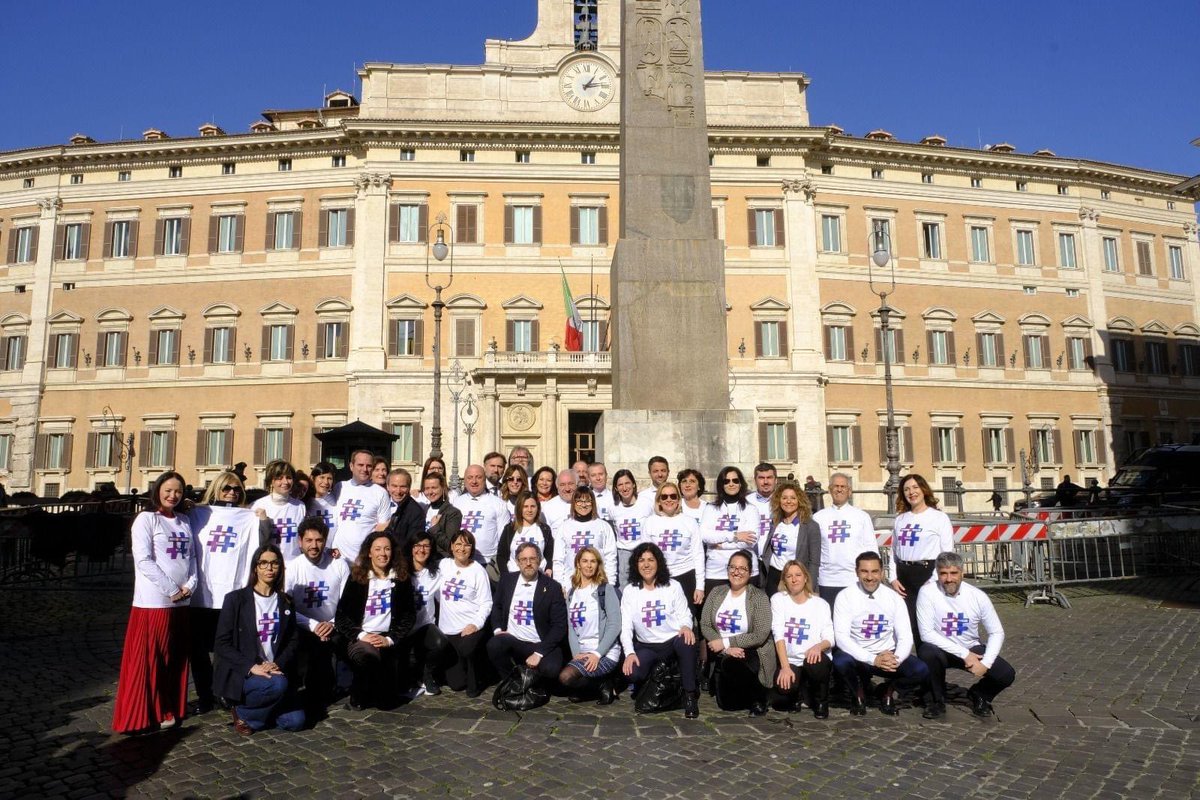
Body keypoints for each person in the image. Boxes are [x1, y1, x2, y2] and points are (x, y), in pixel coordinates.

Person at [112, 471, 197, 734]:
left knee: (174, 658)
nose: (173, 496)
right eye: (168, 490)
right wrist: (171, 588)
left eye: (178, 492)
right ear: (158, 490)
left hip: (181, 602)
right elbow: (144, 560)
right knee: (153, 660)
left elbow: (192, 558)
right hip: (155, 602)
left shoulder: (184, 520)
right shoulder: (146, 519)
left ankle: (170, 706)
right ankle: (148, 712)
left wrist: (189, 585)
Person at [188, 472, 262, 715]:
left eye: (237, 489)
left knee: (226, 648)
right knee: (198, 649)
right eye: (227, 488)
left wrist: (260, 520)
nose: (232, 493)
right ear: (216, 489)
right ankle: (204, 695)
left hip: (230, 594)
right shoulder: (200, 515)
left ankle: (224, 692)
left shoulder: (247, 517)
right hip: (202, 594)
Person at [212, 543, 306, 734]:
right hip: (245, 673)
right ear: (255, 567)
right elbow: (222, 644)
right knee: (277, 685)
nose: (269, 568)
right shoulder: (235, 600)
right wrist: (252, 667)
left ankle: (257, 716)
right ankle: (241, 711)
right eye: (263, 563)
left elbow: (293, 641)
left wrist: (277, 664)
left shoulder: (285, 601)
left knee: (295, 722)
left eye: (274, 563)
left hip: (273, 670)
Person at [917, 552, 1016, 719]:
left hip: (971, 647)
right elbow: (926, 634)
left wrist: (985, 663)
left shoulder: (978, 596)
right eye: (943, 573)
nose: (949, 579)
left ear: (962, 572)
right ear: (937, 573)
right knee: (927, 652)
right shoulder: (927, 592)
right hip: (940, 648)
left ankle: (980, 694)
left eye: (954, 573)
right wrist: (964, 654)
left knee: (1005, 674)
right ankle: (936, 701)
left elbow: (996, 632)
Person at [832, 552, 929, 716]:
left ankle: (888, 691)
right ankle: (858, 694)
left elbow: (905, 636)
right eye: (864, 571)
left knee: (921, 670)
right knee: (840, 662)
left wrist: (895, 659)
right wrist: (873, 659)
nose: (870, 577)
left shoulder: (894, 598)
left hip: (887, 654)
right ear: (857, 572)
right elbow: (842, 638)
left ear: (882, 572)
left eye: (874, 571)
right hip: (858, 654)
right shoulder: (845, 596)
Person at [334, 531, 416, 710]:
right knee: (368, 656)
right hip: (362, 638)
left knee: (387, 703)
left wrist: (390, 639)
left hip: (387, 638)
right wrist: (362, 635)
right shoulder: (357, 578)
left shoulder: (402, 579)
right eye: (377, 549)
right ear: (369, 552)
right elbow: (341, 616)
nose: (383, 553)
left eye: (387, 549)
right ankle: (358, 693)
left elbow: (409, 615)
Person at [620, 542, 701, 718]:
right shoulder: (630, 591)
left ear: (659, 563)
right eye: (641, 560)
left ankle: (689, 695)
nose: (646, 564)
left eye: (651, 560)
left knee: (687, 641)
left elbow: (684, 613)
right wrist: (630, 653)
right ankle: (652, 678)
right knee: (632, 672)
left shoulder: (673, 586)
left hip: (671, 642)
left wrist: (686, 626)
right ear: (636, 564)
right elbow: (626, 626)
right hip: (647, 646)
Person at [284, 515, 351, 713]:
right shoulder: (292, 568)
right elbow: (286, 609)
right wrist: (313, 626)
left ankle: (341, 686)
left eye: (319, 540)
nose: (314, 545)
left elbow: (347, 602)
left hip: (334, 624)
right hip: (304, 626)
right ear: (300, 541)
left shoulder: (339, 564)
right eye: (309, 540)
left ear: (326, 541)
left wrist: (332, 623)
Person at [699, 551, 775, 716]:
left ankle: (759, 696)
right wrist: (726, 648)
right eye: (732, 567)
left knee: (733, 662)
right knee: (728, 705)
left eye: (742, 568)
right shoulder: (716, 592)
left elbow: (760, 635)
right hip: (723, 652)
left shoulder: (759, 598)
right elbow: (705, 624)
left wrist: (726, 643)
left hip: (753, 651)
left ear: (750, 572)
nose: (736, 572)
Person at [487, 542, 568, 689]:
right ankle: (512, 680)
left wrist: (539, 653)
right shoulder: (506, 581)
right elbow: (497, 607)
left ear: (539, 561)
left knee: (551, 669)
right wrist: (498, 631)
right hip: (513, 639)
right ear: (517, 562)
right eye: (523, 559)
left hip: (540, 642)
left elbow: (560, 626)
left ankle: (534, 682)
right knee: (494, 645)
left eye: (532, 559)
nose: (528, 563)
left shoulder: (552, 587)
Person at [889, 473, 955, 645]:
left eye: (915, 487)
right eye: (906, 489)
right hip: (904, 575)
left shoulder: (939, 518)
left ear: (923, 489)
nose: (911, 492)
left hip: (928, 573)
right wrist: (892, 577)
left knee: (928, 624)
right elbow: (893, 550)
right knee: (908, 624)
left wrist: (934, 579)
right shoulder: (900, 520)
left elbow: (947, 552)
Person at [770, 560, 833, 718]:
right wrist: (785, 667)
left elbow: (830, 638)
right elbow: (778, 634)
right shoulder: (778, 600)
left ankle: (820, 701)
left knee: (815, 664)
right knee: (781, 695)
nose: (794, 579)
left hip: (813, 657)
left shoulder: (820, 604)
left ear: (806, 578)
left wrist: (818, 646)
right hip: (791, 660)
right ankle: (798, 692)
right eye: (789, 576)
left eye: (798, 575)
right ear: (784, 580)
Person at [559, 546, 622, 704]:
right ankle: (599, 686)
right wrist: (576, 653)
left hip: (605, 653)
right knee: (563, 682)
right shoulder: (572, 593)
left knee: (566, 676)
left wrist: (597, 654)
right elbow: (571, 627)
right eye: (585, 561)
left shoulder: (605, 590)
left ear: (598, 564)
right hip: (583, 652)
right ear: (578, 564)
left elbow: (615, 625)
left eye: (593, 561)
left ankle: (601, 683)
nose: (589, 565)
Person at [437, 530, 494, 697]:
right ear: (452, 547)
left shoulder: (478, 571)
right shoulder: (444, 565)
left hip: (469, 628)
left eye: (467, 545)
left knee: (468, 650)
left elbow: (486, 603)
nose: (462, 548)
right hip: (447, 630)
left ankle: (479, 676)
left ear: (472, 548)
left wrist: (475, 624)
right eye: (458, 544)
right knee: (456, 684)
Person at [812, 473, 878, 606]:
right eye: (836, 486)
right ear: (830, 489)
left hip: (853, 579)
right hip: (827, 580)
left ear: (849, 491)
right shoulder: (818, 518)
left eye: (843, 486)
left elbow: (871, 547)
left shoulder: (861, 517)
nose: (839, 489)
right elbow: (813, 551)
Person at [642, 482, 706, 613]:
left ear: (678, 499)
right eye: (664, 497)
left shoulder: (690, 522)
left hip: (686, 575)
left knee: (687, 619)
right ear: (658, 500)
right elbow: (645, 556)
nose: (669, 500)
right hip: (660, 576)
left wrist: (700, 586)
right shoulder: (650, 522)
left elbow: (698, 554)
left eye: (673, 496)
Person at [403, 531, 452, 697]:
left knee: (440, 643)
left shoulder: (436, 574)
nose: (421, 550)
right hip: (403, 628)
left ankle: (427, 673)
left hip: (425, 626)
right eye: (417, 545)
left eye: (426, 546)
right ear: (411, 548)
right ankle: (410, 676)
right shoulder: (401, 572)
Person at [700, 466, 762, 592]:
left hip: (746, 571)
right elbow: (705, 535)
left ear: (741, 484)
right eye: (726, 481)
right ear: (721, 485)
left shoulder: (751, 509)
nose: (731, 484)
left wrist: (721, 545)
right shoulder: (710, 509)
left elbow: (751, 540)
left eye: (735, 480)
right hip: (716, 572)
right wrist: (735, 536)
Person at [330, 450, 394, 563]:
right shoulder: (339, 487)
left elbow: (382, 527)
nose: (364, 469)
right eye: (360, 465)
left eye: (369, 466)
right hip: (338, 558)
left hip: (364, 560)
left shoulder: (380, 493)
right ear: (351, 466)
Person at [761, 479, 820, 596]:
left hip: (795, 578)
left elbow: (814, 561)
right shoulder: (776, 522)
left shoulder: (810, 526)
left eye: (793, 498)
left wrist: (810, 587)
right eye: (784, 498)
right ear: (779, 500)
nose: (788, 501)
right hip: (773, 576)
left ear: (799, 501)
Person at [452, 464, 509, 578]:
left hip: (488, 563)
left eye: (478, 477)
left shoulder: (498, 504)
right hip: (461, 562)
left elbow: (504, 537)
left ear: (484, 479)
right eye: (470, 477)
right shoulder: (457, 503)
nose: (474, 481)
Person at [552, 487, 618, 584]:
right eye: (579, 501)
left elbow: (610, 556)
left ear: (593, 503)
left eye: (587, 501)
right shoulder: (564, 527)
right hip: (570, 582)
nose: (583, 505)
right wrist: (559, 584)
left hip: (598, 582)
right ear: (574, 503)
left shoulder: (603, 526)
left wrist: (610, 583)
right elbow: (558, 559)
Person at [251, 460, 308, 561]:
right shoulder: (258, 505)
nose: (285, 482)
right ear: (271, 481)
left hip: (294, 565)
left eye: (289, 477)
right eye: (279, 478)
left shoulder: (300, 506)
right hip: (270, 567)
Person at [609, 469, 654, 590]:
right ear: (616, 488)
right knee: (624, 588)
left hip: (643, 551)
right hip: (623, 554)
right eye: (620, 484)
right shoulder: (613, 507)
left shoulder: (646, 503)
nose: (624, 488)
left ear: (633, 484)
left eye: (627, 483)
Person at [497, 492, 554, 577]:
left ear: (538, 508)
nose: (529, 510)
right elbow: (501, 556)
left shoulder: (545, 529)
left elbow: (550, 555)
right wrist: (506, 576)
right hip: (514, 576)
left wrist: (548, 569)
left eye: (533, 506)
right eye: (525, 506)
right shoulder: (510, 529)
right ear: (519, 508)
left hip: (539, 577)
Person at [420, 472, 462, 558]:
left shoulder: (453, 513)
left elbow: (451, 545)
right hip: (423, 561)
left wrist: (435, 528)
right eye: (427, 488)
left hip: (441, 562)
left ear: (443, 488)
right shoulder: (423, 511)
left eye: (434, 488)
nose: (430, 492)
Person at [384, 468, 424, 544]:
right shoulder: (380, 503)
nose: (398, 491)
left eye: (403, 487)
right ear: (388, 486)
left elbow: (412, 542)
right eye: (394, 486)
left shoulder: (416, 512)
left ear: (409, 488)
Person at [746, 462, 778, 550]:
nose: (765, 482)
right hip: (751, 554)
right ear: (755, 480)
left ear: (776, 480)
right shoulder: (746, 502)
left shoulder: (785, 502)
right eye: (761, 478)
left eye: (769, 478)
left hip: (775, 556)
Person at [307, 462, 340, 544]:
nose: (326, 482)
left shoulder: (337, 500)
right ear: (312, 478)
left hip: (334, 552)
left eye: (329, 478)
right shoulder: (305, 503)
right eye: (322, 477)